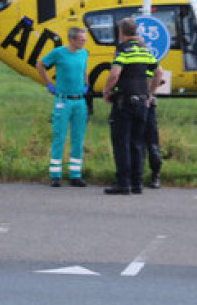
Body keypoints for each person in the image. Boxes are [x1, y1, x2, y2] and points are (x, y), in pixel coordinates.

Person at [102, 18, 163, 195]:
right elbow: (158, 73)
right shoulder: (145, 50)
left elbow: (114, 74)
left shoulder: (122, 50)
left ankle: (123, 183)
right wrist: (150, 93)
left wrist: (106, 91)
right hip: (142, 102)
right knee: (137, 143)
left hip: (124, 102)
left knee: (122, 143)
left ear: (121, 32)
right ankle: (137, 183)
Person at [36, 27, 89, 188]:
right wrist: (48, 83)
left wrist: (86, 83)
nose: (84, 41)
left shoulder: (83, 53)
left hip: (79, 100)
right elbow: (40, 64)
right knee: (59, 136)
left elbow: (84, 69)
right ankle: (55, 174)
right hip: (63, 100)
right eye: (81, 39)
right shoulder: (59, 53)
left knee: (78, 137)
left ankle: (75, 174)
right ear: (72, 40)